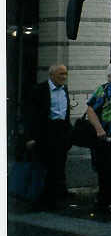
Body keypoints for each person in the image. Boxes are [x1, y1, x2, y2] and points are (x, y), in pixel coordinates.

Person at [24, 64, 72, 210]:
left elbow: (66, 113)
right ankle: (43, 200)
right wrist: (31, 137)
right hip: (46, 131)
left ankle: (55, 197)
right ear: (51, 75)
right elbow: (31, 115)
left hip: (62, 131)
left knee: (59, 166)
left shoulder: (65, 90)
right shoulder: (39, 90)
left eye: (65, 74)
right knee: (47, 166)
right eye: (60, 74)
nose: (63, 77)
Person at [85, 61, 111, 214]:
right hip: (105, 138)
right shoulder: (103, 90)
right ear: (110, 76)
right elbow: (90, 110)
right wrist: (99, 130)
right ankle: (104, 202)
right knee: (106, 171)